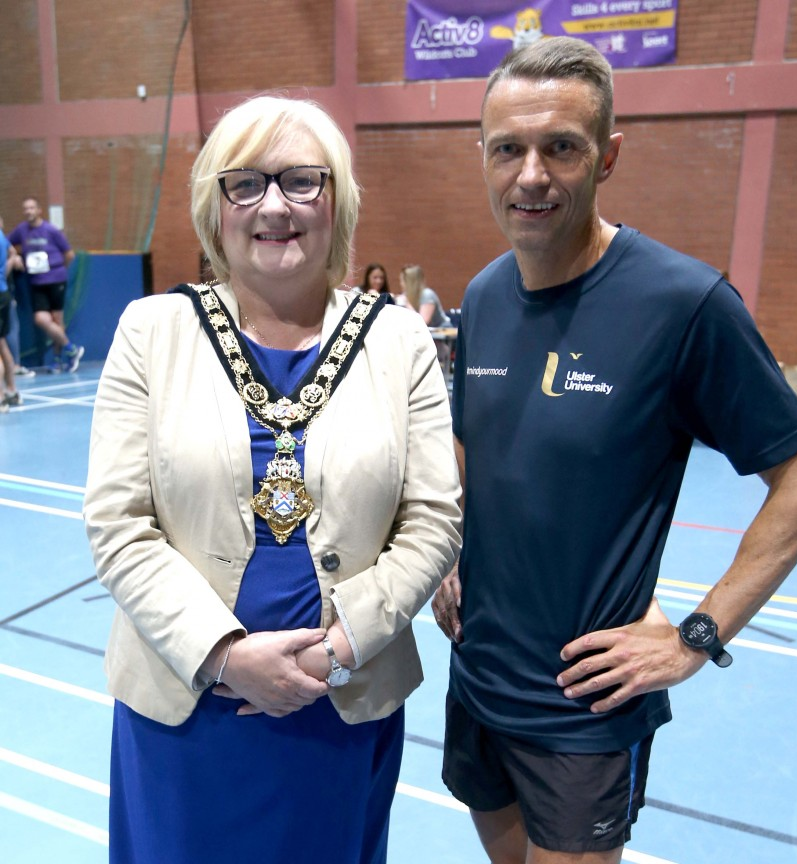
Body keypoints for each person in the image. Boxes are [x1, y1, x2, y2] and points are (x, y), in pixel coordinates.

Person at [431, 36, 797, 864]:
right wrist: (448, 552)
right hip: (477, 679)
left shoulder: (683, 302)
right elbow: (472, 447)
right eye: (508, 149)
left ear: (608, 156)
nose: (531, 175)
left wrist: (698, 634)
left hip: (582, 709)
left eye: (561, 147)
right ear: (483, 158)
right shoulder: (485, 295)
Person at [83, 94, 461, 864]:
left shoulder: (397, 339)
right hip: (187, 707)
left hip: (337, 708)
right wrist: (224, 653)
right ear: (213, 206)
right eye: (245, 183)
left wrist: (340, 648)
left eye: (301, 180)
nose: (274, 206)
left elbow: (432, 521)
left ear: (339, 200)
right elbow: (118, 523)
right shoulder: (151, 332)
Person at [8, 197, 83, 373]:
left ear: (39, 210)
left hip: (55, 280)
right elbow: (7, 244)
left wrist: (58, 270)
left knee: (57, 320)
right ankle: (71, 349)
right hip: (36, 282)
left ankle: (57, 361)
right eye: (26, 208)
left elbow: (69, 254)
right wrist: (15, 256)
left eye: (32, 208)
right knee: (41, 319)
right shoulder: (21, 230)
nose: (28, 211)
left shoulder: (51, 230)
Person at [0, 222, 22, 411]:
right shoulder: (4, 239)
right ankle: (12, 391)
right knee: (2, 344)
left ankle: (0, 398)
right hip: (4, 293)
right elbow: (13, 254)